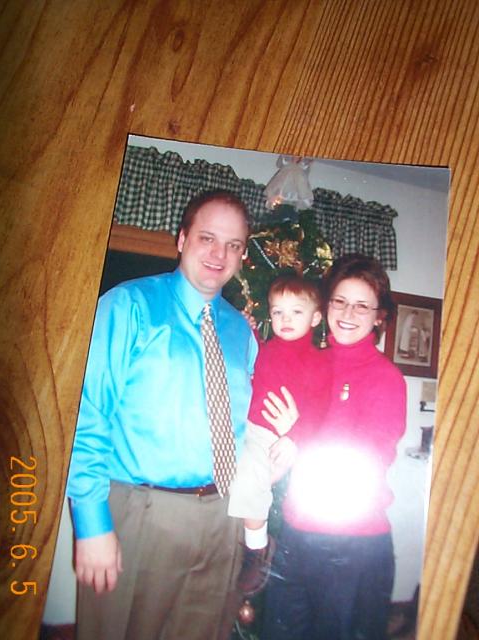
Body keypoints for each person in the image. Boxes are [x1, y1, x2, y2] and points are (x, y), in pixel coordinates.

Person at [66, 190, 258, 640]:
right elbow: (88, 414)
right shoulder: (128, 305)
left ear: (242, 254)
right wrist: (91, 523)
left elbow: (243, 426)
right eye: (207, 238)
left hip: (221, 517)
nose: (219, 254)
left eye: (232, 245)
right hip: (141, 513)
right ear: (182, 238)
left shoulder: (240, 331)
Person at [262, 254, 407, 640]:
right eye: (340, 301)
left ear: (379, 317)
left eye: (362, 305)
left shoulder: (386, 379)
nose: (348, 313)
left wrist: (297, 434)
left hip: (354, 546)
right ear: (325, 307)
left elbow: (366, 462)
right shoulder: (309, 361)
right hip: (296, 532)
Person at [228, 274, 325, 595]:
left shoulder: (318, 361)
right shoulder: (268, 347)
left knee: (252, 475)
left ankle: (257, 549)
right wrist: (247, 327)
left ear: (316, 317)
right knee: (234, 477)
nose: (285, 319)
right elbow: (252, 355)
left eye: (296, 312)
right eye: (278, 311)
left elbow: (318, 409)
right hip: (248, 427)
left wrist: (295, 437)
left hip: (276, 436)